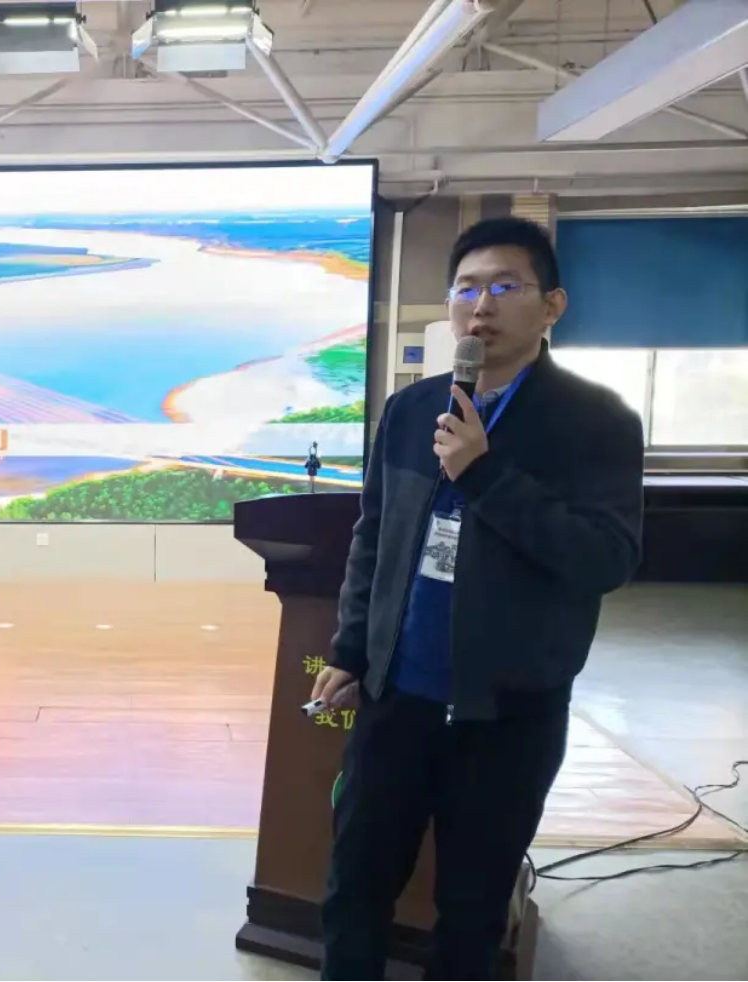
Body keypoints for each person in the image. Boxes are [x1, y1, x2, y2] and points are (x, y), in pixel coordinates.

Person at [309, 217, 645, 980]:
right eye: (465, 288)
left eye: (504, 286)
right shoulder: (411, 410)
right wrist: (353, 649)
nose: (481, 305)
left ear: (551, 305)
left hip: (509, 713)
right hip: (397, 701)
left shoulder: (596, 421)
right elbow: (374, 538)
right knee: (355, 887)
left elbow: (604, 559)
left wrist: (484, 473)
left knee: (470, 910)